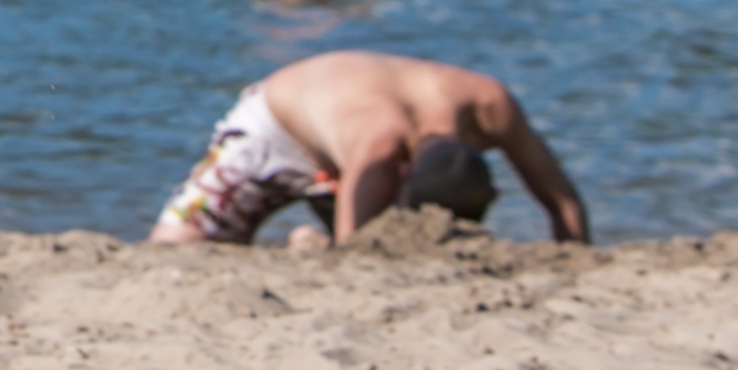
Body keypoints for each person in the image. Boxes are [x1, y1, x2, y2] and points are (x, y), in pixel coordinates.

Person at [150, 50, 589, 247]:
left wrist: (577, 259)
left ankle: (308, 244)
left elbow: (562, 200)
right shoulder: (379, 147)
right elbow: (354, 251)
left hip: (346, 137)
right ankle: (307, 245)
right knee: (176, 248)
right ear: (403, 179)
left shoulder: (491, 103)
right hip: (275, 129)